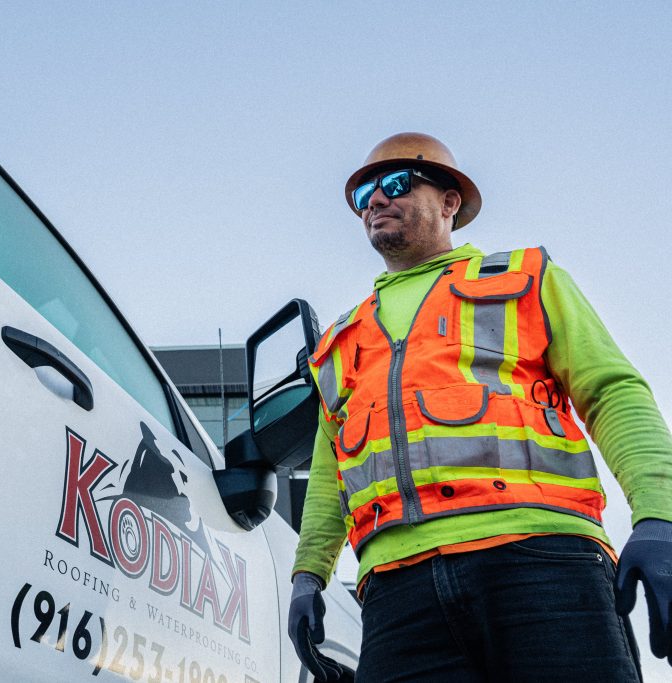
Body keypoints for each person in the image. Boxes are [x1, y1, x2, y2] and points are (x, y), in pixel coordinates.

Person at [287, 132, 672, 682]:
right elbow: (331, 473)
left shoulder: (526, 281)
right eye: (363, 193)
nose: (374, 200)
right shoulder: (342, 341)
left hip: (543, 563)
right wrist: (309, 577)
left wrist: (659, 517)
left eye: (395, 184)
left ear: (449, 203)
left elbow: (612, 392)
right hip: (397, 593)